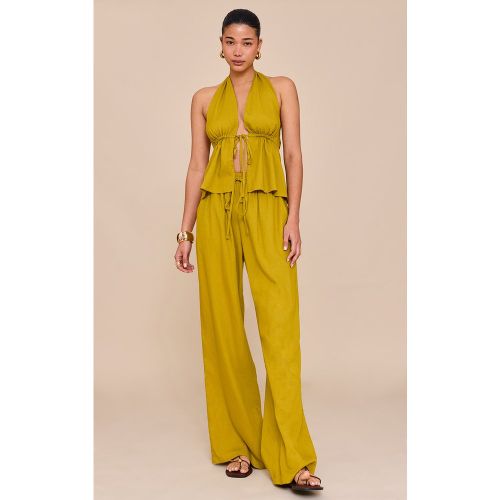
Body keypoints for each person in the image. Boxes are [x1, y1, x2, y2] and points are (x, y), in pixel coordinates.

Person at [174, 9, 323, 492]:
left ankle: (293, 458)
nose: (238, 50)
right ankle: (238, 444)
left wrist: (293, 217)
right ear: (220, 45)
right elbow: (197, 166)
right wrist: (185, 232)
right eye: (230, 41)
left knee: (280, 329)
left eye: (247, 42)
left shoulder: (281, 88)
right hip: (216, 213)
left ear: (260, 46)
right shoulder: (202, 99)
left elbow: (293, 155)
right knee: (223, 328)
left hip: (266, 209)